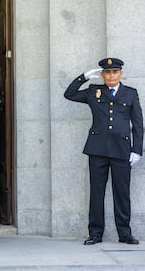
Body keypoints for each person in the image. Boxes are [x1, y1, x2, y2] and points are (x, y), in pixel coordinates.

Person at [64, 58, 143, 245]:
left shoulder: (130, 94)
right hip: (97, 149)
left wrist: (137, 150)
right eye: (107, 72)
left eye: (115, 72)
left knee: (122, 193)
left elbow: (138, 125)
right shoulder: (93, 92)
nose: (111, 75)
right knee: (97, 192)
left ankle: (124, 233)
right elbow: (69, 94)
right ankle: (95, 233)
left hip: (122, 151)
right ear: (102, 74)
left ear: (121, 73)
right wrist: (83, 77)